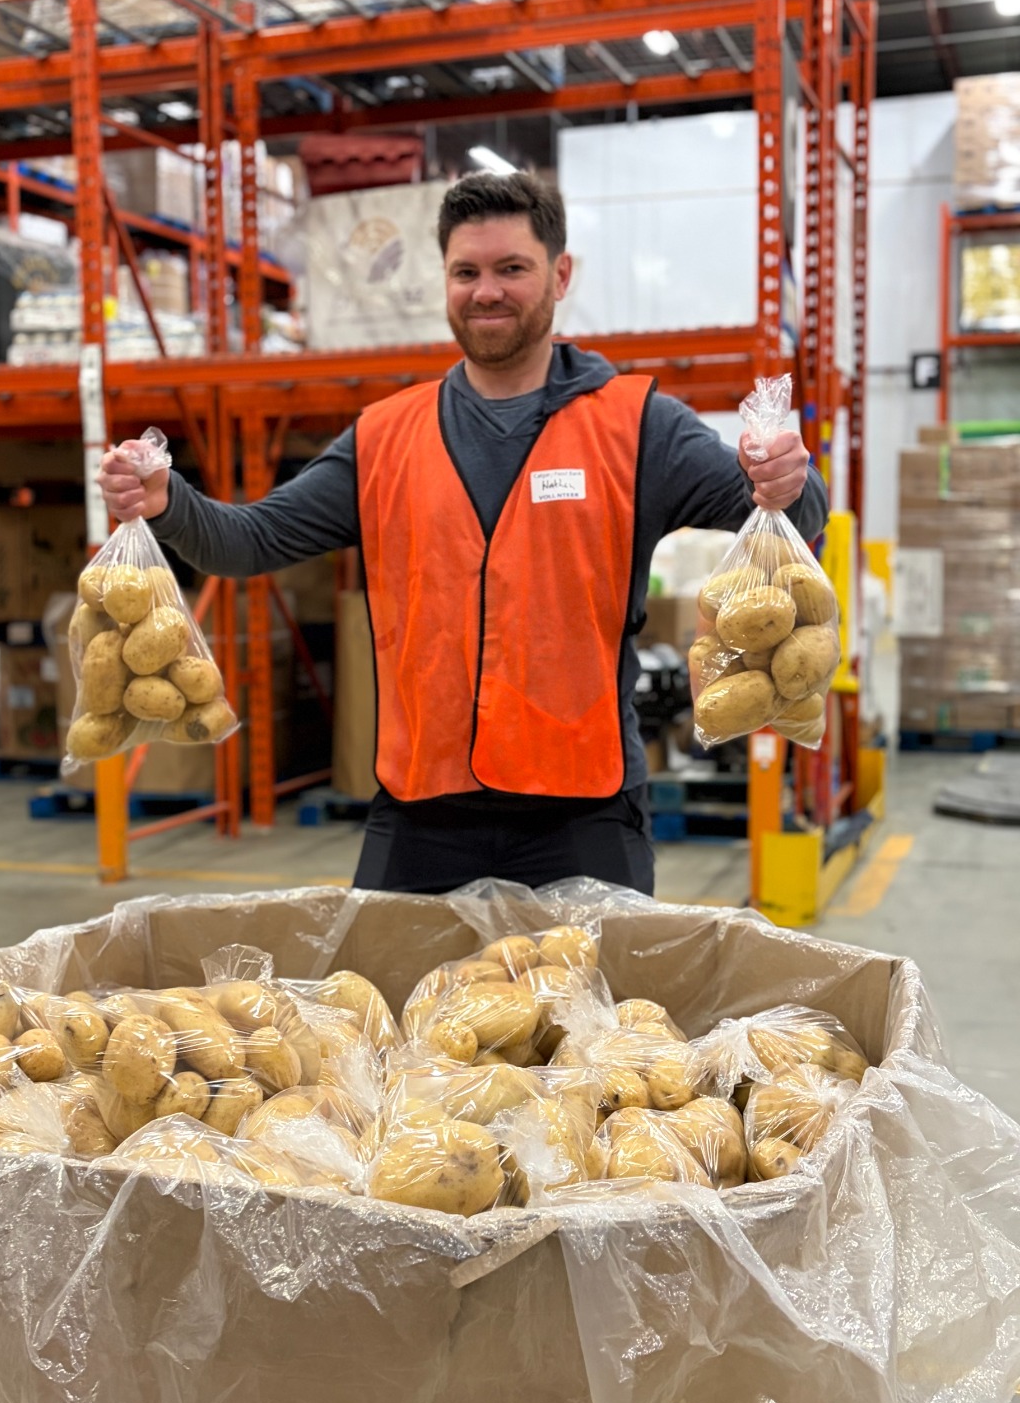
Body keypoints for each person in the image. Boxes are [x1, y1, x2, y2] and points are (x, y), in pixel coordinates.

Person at [99, 171, 828, 897]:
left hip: (584, 810)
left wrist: (792, 482)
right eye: (466, 272)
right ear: (444, 280)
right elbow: (247, 542)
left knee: (599, 1015)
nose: (488, 291)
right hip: (421, 814)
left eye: (513, 268)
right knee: (386, 1011)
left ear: (560, 274)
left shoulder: (636, 425)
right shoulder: (384, 437)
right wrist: (168, 501)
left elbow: (782, 517)